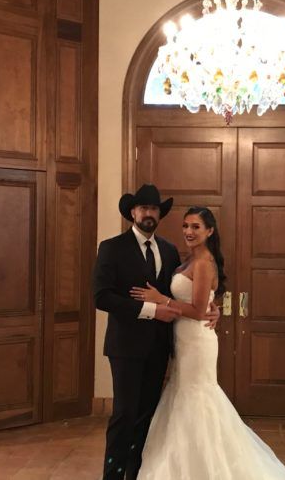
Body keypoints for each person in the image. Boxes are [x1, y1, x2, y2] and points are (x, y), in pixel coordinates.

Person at [131, 206, 285, 480]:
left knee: (198, 399)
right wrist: (213, 305)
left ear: (209, 231)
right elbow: (204, 301)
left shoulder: (204, 262)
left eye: (196, 227)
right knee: (182, 396)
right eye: (185, 226)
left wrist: (162, 300)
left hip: (197, 341)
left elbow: (196, 310)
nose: (188, 232)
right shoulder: (188, 260)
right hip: (184, 339)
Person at [93, 185, 220, 480]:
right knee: (124, 415)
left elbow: (190, 293)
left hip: (161, 347)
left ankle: (137, 473)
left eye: (153, 209)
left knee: (147, 416)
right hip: (125, 347)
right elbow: (102, 297)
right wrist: (152, 310)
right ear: (132, 213)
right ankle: (113, 475)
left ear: (158, 214)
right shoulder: (112, 248)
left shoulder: (169, 250)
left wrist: (216, 309)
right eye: (143, 208)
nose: (148, 213)